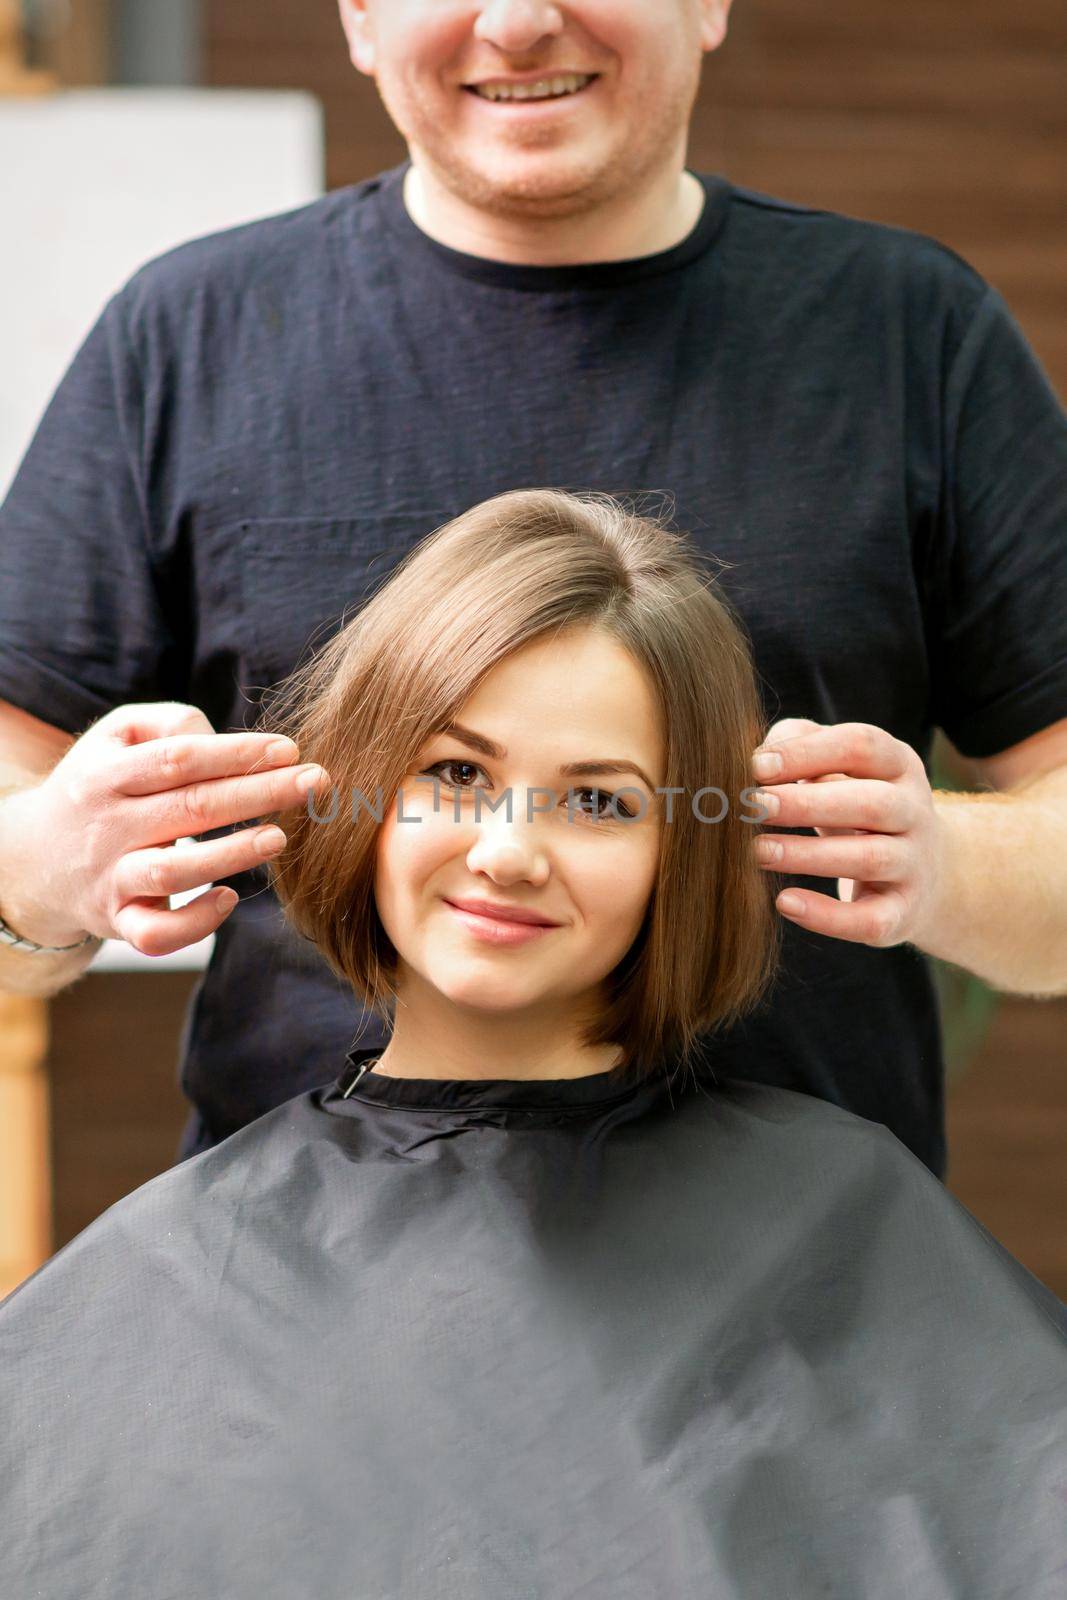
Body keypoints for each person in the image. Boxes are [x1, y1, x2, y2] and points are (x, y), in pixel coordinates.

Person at [2, 0, 1067, 1180]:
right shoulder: (188, 338)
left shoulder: (907, 334)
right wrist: (44, 869)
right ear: (358, 16)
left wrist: (942, 865)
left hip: (797, 1298)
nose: (514, 23)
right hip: (296, 1299)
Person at [1, 489, 1065, 1600]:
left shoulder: (848, 1245)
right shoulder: (177, 1280)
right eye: (455, 774)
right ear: (363, 792)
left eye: (598, 803)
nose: (508, 851)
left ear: (681, 857)